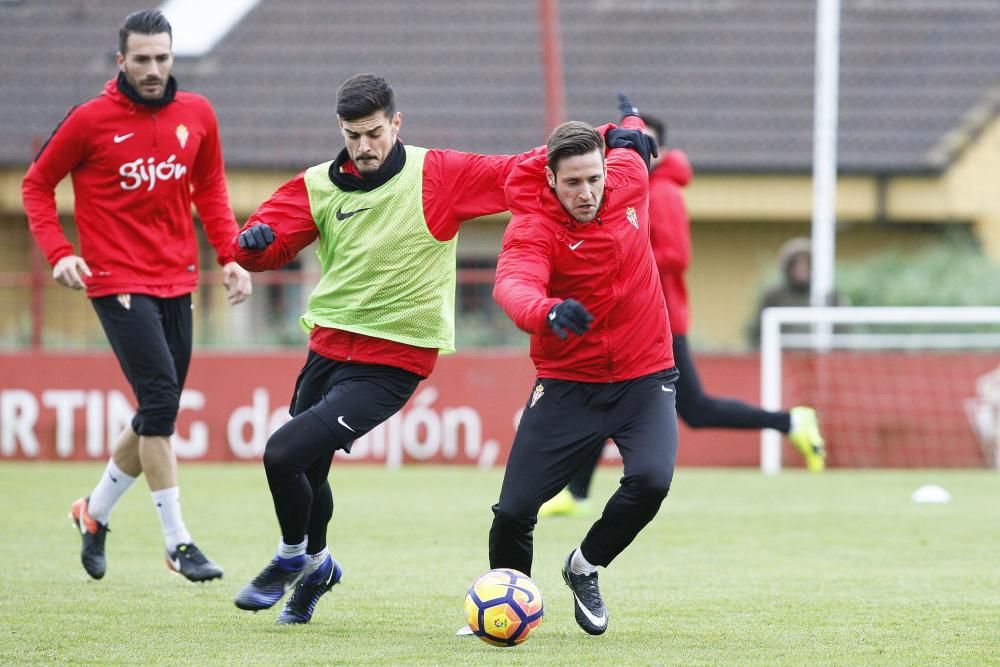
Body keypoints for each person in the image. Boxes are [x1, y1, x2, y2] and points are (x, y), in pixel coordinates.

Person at [228, 74, 655, 625]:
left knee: (283, 452)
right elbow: (265, 242)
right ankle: (318, 566)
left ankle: (291, 558)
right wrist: (253, 244)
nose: (365, 146)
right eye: (354, 135)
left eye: (375, 133)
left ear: (396, 124)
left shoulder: (438, 175)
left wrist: (614, 134)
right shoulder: (316, 186)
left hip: (393, 359)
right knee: (308, 470)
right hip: (329, 345)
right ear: (341, 129)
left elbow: (525, 167)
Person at [21, 10, 252, 583]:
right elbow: (35, 185)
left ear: (173, 58)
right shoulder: (89, 120)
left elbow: (212, 188)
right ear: (121, 61)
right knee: (160, 404)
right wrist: (60, 252)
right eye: (142, 59)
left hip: (178, 277)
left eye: (162, 58)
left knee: (157, 409)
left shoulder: (197, 114)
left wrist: (230, 256)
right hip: (117, 280)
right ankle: (178, 543)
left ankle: (93, 513)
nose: (153, 70)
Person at [540, 125, 828, 519]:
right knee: (616, 395)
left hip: (661, 319)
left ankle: (791, 420)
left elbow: (676, 256)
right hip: (633, 317)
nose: (636, 151)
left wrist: (618, 258)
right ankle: (577, 492)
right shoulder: (628, 191)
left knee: (689, 407)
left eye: (645, 144)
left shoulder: (664, 193)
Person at [485, 99, 673, 636]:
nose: (586, 193)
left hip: (645, 374)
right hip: (569, 384)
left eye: (593, 179)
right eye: (572, 183)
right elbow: (513, 284)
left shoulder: (629, 178)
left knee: (652, 481)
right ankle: (507, 604)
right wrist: (545, 310)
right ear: (550, 178)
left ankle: (584, 566)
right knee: (515, 510)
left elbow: (631, 142)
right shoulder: (533, 226)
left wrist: (629, 120)